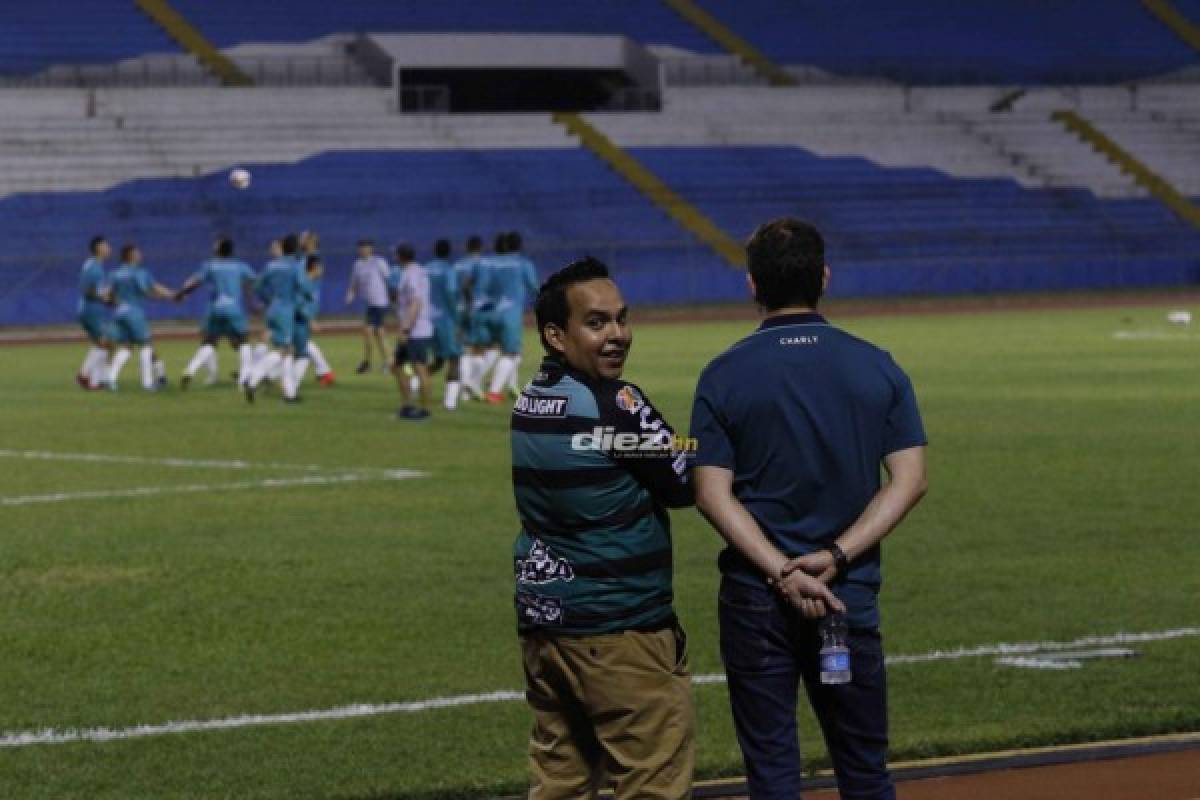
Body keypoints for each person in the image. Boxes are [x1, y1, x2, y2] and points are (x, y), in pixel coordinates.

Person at [689, 218, 929, 800]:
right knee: (865, 770)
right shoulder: (877, 365)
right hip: (847, 596)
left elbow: (709, 493)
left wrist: (780, 569)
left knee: (771, 772)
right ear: (824, 277)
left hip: (756, 598)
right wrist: (835, 556)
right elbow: (910, 480)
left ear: (751, 284)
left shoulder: (723, 375)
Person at [511, 257, 695, 798]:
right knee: (652, 783)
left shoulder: (532, 398)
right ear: (555, 335)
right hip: (618, 630)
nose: (618, 335)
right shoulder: (614, 404)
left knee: (561, 782)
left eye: (621, 319)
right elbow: (684, 480)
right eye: (597, 323)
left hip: (548, 626)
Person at [175, 236, 258, 389]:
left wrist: (182, 293)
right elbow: (253, 283)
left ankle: (190, 370)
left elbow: (195, 282)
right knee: (243, 342)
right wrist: (253, 304)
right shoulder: (240, 266)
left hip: (215, 310)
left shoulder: (210, 266)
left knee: (209, 342)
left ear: (219, 249)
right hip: (234, 309)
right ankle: (244, 379)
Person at [104, 244, 174, 391]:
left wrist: (116, 302)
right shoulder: (139, 272)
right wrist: (172, 295)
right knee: (146, 345)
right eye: (137, 252)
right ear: (130, 255)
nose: (140, 255)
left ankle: (110, 379)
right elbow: (152, 288)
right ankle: (147, 383)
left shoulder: (115, 273)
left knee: (126, 346)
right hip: (134, 313)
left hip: (120, 313)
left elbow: (107, 295)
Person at [245, 234, 306, 404]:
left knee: (288, 352)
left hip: (272, 309)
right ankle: (253, 380)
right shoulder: (295, 266)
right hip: (286, 310)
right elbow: (303, 286)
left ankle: (290, 394)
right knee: (284, 351)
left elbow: (257, 286)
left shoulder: (271, 266)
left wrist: (269, 300)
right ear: (294, 249)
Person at [482, 230, 538, 403]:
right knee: (511, 353)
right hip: (510, 314)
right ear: (520, 246)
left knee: (493, 349)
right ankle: (493, 391)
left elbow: (482, 285)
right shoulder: (522, 263)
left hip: (489, 313)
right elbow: (534, 287)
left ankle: (505, 384)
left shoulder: (489, 263)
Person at [389, 243, 433, 420]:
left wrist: (406, 329)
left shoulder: (411, 274)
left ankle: (424, 411)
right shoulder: (417, 271)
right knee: (397, 365)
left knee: (420, 369)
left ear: (400, 256)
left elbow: (416, 302)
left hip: (416, 331)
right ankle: (407, 407)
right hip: (414, 329)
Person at [423, 238, 463, 410]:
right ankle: (450, 402)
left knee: (437, 360)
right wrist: (457, 319)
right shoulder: (449, 270)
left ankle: (416, 384)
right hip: (445, 320)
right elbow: (451, 293)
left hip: (426, 321)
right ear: (449, 252)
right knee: (454, 359)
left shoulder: (425, 269)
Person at [344, 238, 392, 374]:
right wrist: (350, 296)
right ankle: (380, 362)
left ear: (371, 248)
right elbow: (354, 284)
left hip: (381, 302)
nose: (363, 249)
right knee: (373, 333)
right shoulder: (357, 265)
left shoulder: (379, 262)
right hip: (370, 304)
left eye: (365, 247)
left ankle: (381, 363)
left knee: (375, 332)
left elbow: (389, 279)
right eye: (361, 247)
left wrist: (394, 297)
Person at [299, 231, 335, 386]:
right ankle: (324, 371)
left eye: (303, 238)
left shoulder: (313, 257)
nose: (300, 241)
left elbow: (318, 273)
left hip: (307, 301)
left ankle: (325, 371)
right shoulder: (305, 257)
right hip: (304, 300)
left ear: (311, 241)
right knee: (300, 340)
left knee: (301, 340)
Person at [76, 235, 112, 390]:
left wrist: (105, 297)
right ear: (98, 248)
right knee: (105, 342)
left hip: (88, 309)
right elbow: (87, 290)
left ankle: (98, 381)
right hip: (91, 310)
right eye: (106, 245)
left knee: (102, 344)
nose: (109, 248)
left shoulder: (92, 264)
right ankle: (84, 374)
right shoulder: (94, 268)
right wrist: (104, 298)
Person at [453, 234, 484, 398]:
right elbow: (470, 285)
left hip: (457, 309)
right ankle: (471, 384)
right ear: (480, 248)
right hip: (475, 309)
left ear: (466, 248)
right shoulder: (481, 264)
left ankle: (466, 390)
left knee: (464, 349)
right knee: (479, 349)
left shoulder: (457, 265)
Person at [289, 254, 324, 397]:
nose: (323, 269)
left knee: (295, 355)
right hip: (298, 323)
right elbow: (298, 304)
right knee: (301, 356)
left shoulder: (313, 282)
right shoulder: (304, 283)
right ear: (314, 267)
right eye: (321, 266)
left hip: (301, 323)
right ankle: (290, 387)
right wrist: (310, 320)